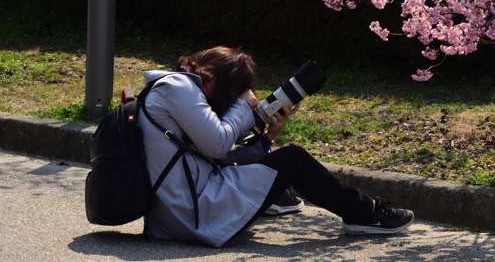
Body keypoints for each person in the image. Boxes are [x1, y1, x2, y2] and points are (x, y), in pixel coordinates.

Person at [137, 46, 413, 247]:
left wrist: (268, 136)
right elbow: (218, 146)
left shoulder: (179, 89)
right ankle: (366, 213)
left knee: (287, 158)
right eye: (233, 91)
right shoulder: (178, 87)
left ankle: (283, 200)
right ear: (220, 79)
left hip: (182, 213)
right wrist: (242, 105)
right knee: (294, 158)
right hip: (193, 216)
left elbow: (217, 159)